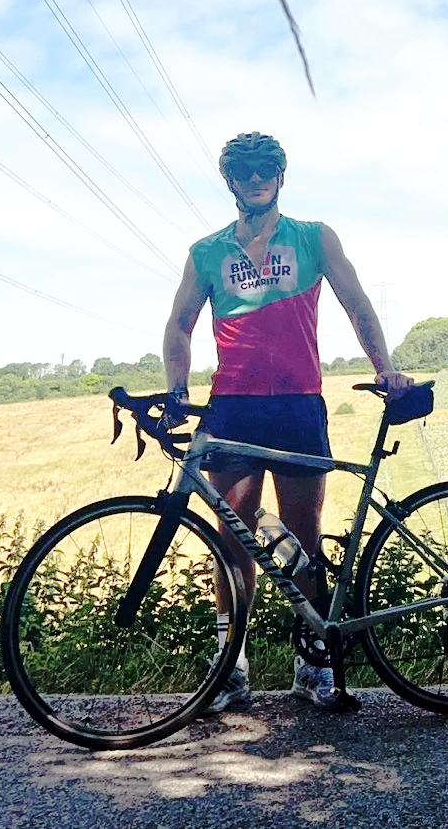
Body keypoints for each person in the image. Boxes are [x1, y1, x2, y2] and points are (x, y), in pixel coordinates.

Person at [163, 131, 411, 713]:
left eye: (265, 170)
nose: (255, 180)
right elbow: (179, 324)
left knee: (303, 535)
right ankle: (230, 667)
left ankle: (313, 662)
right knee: (232, 540)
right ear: (229, 181)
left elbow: (355, 302)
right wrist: (178, 388)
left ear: (280, 175)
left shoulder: (313, 238)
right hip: (235, 407)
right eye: (244, 172)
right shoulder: (207, 251)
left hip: (299, 401)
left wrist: (387, 367)